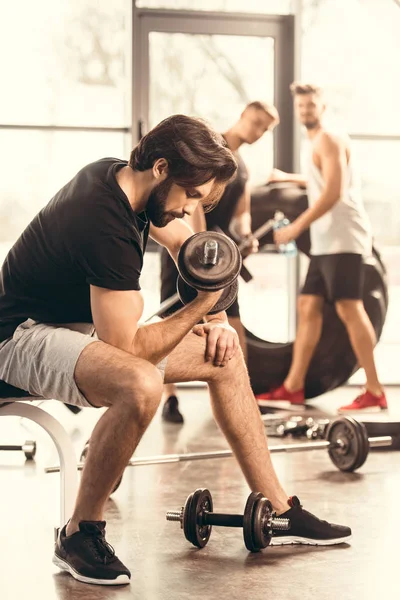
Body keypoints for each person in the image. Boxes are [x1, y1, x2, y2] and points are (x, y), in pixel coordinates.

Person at [0, 114, 351, 587]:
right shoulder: (102, 220)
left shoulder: (132, 185)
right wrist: (201, 306)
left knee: (224, 359)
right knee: (140, 383)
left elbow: (193, 247)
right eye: (190, 195)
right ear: (162, 168)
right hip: (16, 339)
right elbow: (125, 347)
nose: (190, 209)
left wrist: (219, 319)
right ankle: (78, 533)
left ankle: (282, 511)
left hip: (69, 332)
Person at [256, 83, 387, 414]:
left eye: (310, 106)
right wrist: (289, 177)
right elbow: (323, 181)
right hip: (326, 241)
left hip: (342, 238)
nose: (305, 112)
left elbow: (334, 192)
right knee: (308, 305)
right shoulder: (319, 140)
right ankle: (293, 387)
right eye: (300, 107)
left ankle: (374, 390)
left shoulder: (328, 137)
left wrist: (296, 228)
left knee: (349, 309)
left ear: (322, 106)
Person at [161, 101, 279, 423]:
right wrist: (195, 246)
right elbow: (194, 199)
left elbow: (243, 211)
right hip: (185, 245)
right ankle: (169, 400)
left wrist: (246, 234)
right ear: (242, 115)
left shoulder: (242, 166)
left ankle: (240, 395)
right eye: (256, 123)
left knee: (231, 324)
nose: (257, 132)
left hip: (219, 256)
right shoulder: (210, 148)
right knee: (173, 321)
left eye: (264, 129)